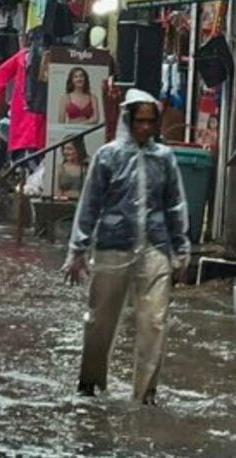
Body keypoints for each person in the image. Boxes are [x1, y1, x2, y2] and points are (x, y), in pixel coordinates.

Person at [62, 89, 190, 405]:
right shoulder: (108, 156)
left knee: (154, 322)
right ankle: (90, 382)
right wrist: (77, 250)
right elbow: (90, 204)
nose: (145, 127)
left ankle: (145, 392)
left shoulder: (164, 158)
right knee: (100, 318)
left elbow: (175, 204)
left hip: (155, 247)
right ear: (128, 120)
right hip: (113, 245)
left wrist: (181, 249)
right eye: (140, 121)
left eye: (150, 121)